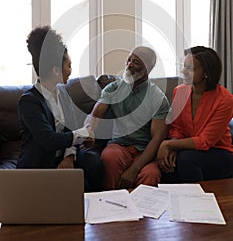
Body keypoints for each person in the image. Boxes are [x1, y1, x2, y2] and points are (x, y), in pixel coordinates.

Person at [17, 26, 104, 192]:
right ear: (56, 70)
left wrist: (69, 156)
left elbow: (70, 127)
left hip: (60, 156)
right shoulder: (29, 102)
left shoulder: (63, 92)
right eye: (69, 65)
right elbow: (48, 139)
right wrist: (83, 133)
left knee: (95, 163)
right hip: (40, 164)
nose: (71, 71)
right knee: (80, 185)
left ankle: (98, 211)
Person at [84, 46, 169, 190]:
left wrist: (134, 169)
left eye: (136, 61)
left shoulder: (158, 98)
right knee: (109, 158)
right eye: (129, 59)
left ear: (147, 68)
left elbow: (157, 139)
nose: (130, 64)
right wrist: (89, 130)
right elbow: (96, 114)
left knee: (151, 174)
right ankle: (112, 209)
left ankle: (142, 212)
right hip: (119, 146)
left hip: (144, 151)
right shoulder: (113, 88)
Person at [157, 46, 233, 183]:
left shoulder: (225, 99)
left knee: (187, 159)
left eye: (190, 68)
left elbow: (205, 141)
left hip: (219, 153)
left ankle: (200, 202)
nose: (183, 72)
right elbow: (177, 128)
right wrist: (172, 146)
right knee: (167, 162)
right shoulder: (179, 91)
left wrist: (168, 144)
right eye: (184, 67)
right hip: (188, 148)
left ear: (206, 73)